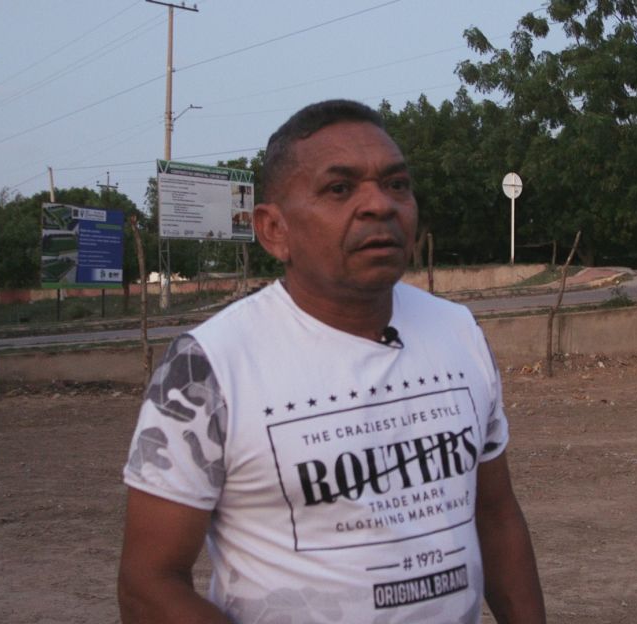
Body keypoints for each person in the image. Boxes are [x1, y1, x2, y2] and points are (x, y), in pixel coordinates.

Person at [118, 99, 545, 623]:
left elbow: (495, 515)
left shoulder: (458, 332)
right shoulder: (209, 366)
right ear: (274, 230)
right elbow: (148, 584)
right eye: (340, 189)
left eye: (397, 184)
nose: (379, 205)